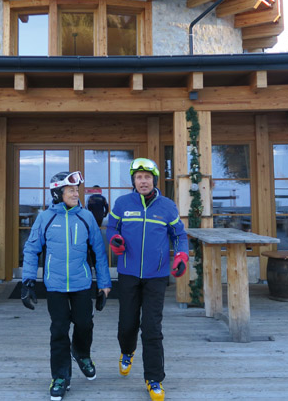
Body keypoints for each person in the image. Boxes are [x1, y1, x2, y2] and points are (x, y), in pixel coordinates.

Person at [21, 171, 112, 401]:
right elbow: (32, 249)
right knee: (59, 330)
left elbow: (99, 252)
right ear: (57, 193)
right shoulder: (45, 218)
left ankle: (81, 353)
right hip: (56, 285)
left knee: (85, 324)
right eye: (70, 190)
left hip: (82, 283)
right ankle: (60, 376)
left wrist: (104, 284)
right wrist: (28, 281)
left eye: (76, 190)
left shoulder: (86, 217)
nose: (75, 193)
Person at [107, 157, 189, 401]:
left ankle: (154, 380)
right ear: (133, 181)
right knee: (127, 323)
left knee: (152, 328)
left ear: (154, 180)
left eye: (147, 177)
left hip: (157, 275)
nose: (143, 181)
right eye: (138, 177)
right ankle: (127, 351)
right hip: (128, 273)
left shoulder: (167, 206)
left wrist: (181, 256)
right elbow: (112, 228)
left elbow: (179, 235)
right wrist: (115, 242)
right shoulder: (122, 203)